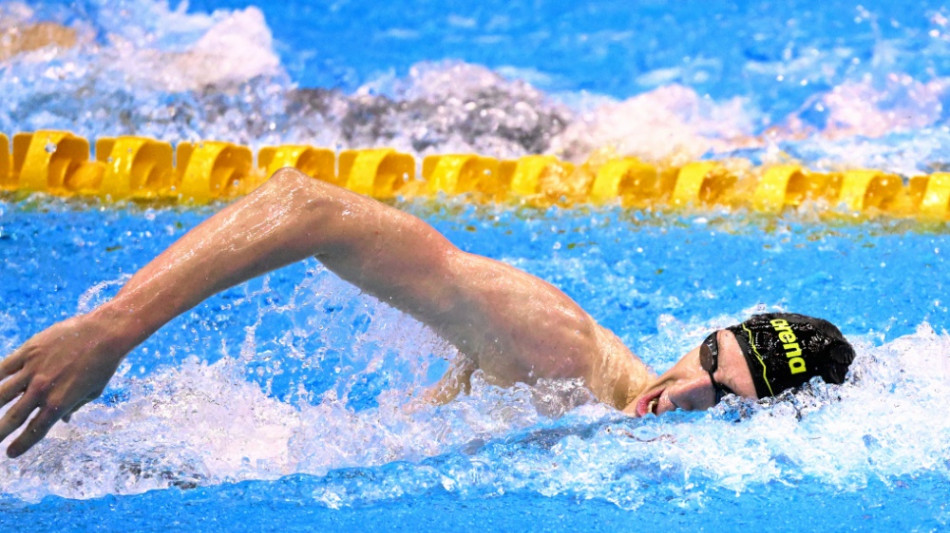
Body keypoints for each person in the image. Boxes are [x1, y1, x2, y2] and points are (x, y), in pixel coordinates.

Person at [0, 168, 855, 458]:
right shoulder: (555, 351)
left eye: (722, 401)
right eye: (706, 358)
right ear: (703, 332)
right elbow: (307, 206)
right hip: (180, 447)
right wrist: (110, 328)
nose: (683, 392)